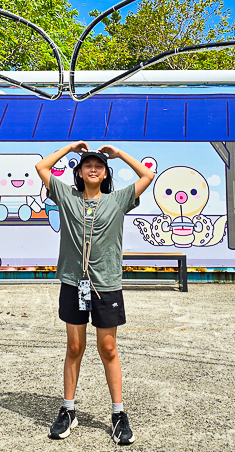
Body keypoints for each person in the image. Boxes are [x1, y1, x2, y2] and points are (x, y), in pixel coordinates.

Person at [35, 141, 155, 445]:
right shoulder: (67, 197)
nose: (92, 169)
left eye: (98, 166)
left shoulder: (118, 200)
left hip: (106, 284)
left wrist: (119, 154)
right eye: (87, 165)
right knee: (75, 347)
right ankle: (68, 410)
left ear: (105, 174)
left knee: (108, 348)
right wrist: (69, 148)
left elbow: (147, 176)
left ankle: (118, 414)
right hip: (74, 282)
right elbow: (41, 167)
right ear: (79, 172)